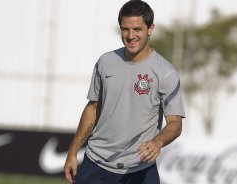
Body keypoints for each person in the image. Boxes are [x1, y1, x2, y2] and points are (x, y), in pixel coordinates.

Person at [64, 0, 185, 183]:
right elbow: (93, 108)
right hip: (95, 164)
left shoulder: (165, 72)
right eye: (125, 29)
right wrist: (73, 152)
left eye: (137, 29)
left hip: (139, 168)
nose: (130, 35)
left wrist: (157, 142)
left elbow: (175, 123)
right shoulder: (105, 62)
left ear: (150, 29)